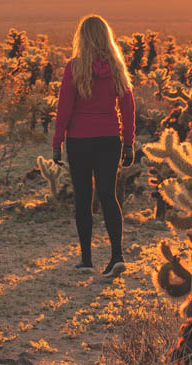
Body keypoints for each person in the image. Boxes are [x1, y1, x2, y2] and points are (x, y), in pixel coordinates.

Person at [52, 14, 135, 277]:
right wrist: (129, 143)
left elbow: (63, 108)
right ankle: (116, 256)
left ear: (82, 38)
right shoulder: (117, 68)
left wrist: (57, 143)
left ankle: (87, 260)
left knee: (83, 199)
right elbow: (128, 107)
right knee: (109, 196)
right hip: (109, 139)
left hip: (79, 140)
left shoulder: (74, 67)